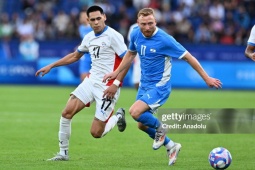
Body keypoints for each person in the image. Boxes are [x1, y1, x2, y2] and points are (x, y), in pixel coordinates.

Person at [103, 8, 222, 166]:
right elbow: (130, 55)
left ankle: (162, 127)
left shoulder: (165, 39)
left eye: (150, 23)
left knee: (134, 111)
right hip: (144, 85)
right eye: (143, 24)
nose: (147, 27)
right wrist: (116, 72)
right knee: (142, 125)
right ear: (137, 23)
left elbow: (189, 57)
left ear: (155, 22)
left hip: (160, 86)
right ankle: (171, 146)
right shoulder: (135, 34)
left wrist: (206, 78)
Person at [35, 5, 128, 161]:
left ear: (104, 17)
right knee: (66, 112)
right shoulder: (89, 37)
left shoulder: (114, 36)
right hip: (91, 81)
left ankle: (117, 117)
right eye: (93, 20)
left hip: (108, 87)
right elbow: (74, 56)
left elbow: (127, 60)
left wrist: (116, 83)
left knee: (96, 133)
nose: (97, 22)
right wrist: (51, 65)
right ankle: (63, 154)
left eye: (99, 18)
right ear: (88, 21)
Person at [78, 10, 93, 81]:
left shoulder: (93, 27)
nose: (81, 18)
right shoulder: (81, 28)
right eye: (81, 16)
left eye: (83, 16)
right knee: (83, 78)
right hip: (85, 55)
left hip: (94, 55)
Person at [127, 23, 141, 90]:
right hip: (137, 55)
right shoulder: (133, 27)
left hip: (148, 56)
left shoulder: (152, 26)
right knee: (136, 83)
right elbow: (130, 42)